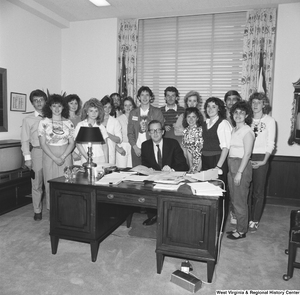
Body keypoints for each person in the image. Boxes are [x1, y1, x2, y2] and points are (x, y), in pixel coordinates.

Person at [141, 120, 189, 225]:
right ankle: (153, 215)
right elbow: (144, 165)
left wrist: (172, 170)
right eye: (152, 131)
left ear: (163, 132)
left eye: (158, 130)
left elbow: (183, 164)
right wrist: (149, 170)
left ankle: (171, 217)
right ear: (148, 133)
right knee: (146, 186)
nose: (155, 133)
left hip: (171, 178)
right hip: (154, 179)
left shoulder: (173, 143)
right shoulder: (145, 145)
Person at [38, 94, 75, 212]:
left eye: (59, 106)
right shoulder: (44, 122)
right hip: (49, 156)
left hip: (66, 155)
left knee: (67, 184)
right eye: (54, 106)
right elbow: (43, 144)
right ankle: (53, 213)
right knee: (50, 186)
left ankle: (66, 212)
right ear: (49, 107)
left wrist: (63, 156)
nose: (57, 109)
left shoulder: (69, 123)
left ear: (63, 107)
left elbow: (72, 143)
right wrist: (54, 157)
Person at [227, 101, 255, 240]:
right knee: (234, 198)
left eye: (242, 113)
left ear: (247, 115)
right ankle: (239, 226)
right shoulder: (234, 129)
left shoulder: (247, 131)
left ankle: (242, 231)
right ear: (232, 114)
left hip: (241, 166)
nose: (238, 115)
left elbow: (247, 153)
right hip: (231, 163)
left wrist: (239, 172)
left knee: (240, 200)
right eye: (236, 112)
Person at [248, 92, 276, 233]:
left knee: (258, 191)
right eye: (253, 102)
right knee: (246, 190)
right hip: (246, 157)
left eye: (258, 102)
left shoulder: (270, 121)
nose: (255, 105)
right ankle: (246, 218)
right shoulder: (246, 119)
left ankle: (255, 220)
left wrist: (264, 161)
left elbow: (271, 143)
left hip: (261, 158)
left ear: (264, 104)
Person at [21, 89, 47, 221]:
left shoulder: (52, 117)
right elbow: (25, 140)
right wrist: (27, 158)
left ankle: (53, 210)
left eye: (41, 99)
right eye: (35, 100)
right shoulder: (28, 119)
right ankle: (37, 210)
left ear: (45, 101)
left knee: (51, 183)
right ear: (32, 103)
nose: (38, 102)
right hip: (36, 152)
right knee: (36, 184)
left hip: (51, 153)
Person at [202, 97, 232, 206]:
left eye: (214, 106)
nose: (210, 109)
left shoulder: (223, 123)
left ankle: (219, 219)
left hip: (217, 160)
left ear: (219, 109)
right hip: (205, 160)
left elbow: (226, 148)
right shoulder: (205, 123)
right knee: (207, 190)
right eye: (208, 106)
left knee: (218, 192)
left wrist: (218, 166)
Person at [127, 86, 164, 167]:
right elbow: (130, 133)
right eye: (142, 95)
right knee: (137, 175)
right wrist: (135, 147)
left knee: (153, 174)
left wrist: (147, 127)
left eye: (147, 95)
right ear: (138, 97)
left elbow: (160, 130)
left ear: (150, 97)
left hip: (152, 148)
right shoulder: (133, 113)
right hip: (136, 148)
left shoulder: (157, 112)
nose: (144, 97)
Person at [74, 98, 109, 166]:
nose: (94, 113)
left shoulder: (101, 126)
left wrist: (107, 162)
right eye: (91, 111)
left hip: (100, 157)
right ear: (87, 112)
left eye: (96, 111)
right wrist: (88, 158)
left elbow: (105, 145)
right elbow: (78, 144)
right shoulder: (81, 125)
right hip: (86, 158)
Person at [101, 95, 122, 165]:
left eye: (109, 107)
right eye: (105, 107)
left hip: (110, 154)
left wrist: (107, 134)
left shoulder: (115, 121)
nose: (107, 110)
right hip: (97, 155)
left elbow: (119, 139)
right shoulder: (95, 120)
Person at [116, 96, 137, 168]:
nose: (128, 107)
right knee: (121, 169)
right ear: (123, 107)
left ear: (133, 106)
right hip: (122, 145)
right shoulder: (118, 119)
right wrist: (118, 148)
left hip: (133, 145)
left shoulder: (136, 118)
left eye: (130, 105)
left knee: (131, 169)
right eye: (125, 105)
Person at [182, 107, 204, 173]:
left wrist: (198, 169)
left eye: (193, 117)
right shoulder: (185, 131)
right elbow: (188, 151)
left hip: (202, 163)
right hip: (192, 164)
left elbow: (200, 152)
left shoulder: (200, 131)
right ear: (185, 118)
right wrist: (191, 167)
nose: (191, 119)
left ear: (197, 118)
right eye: (188, 117)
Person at [64, 94, 82, 164]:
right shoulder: (63, 120)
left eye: (76, 103)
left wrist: (81, 151)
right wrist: (72, 153)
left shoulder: (81, 119)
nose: (74, 106)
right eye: (71, 103)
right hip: (68, 150)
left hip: (80, 149)